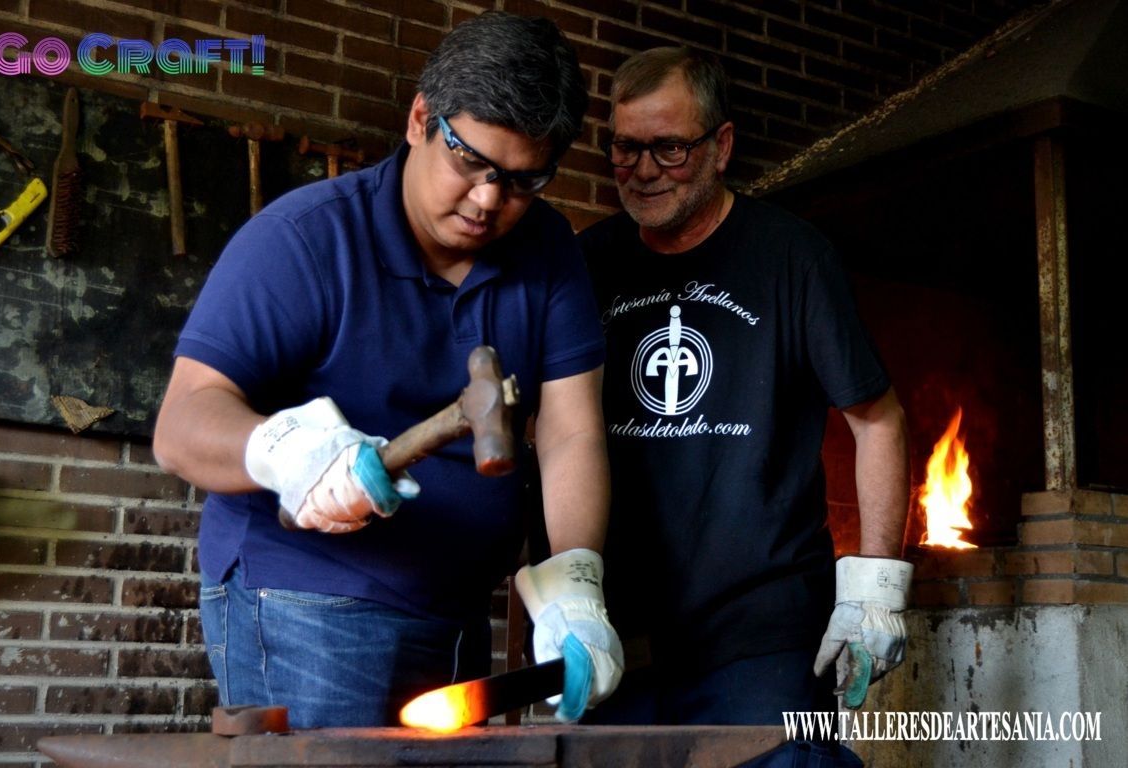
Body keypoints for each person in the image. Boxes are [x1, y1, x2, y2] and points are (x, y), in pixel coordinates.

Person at [152, 11, 622, 729]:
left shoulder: (548, 248)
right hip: (309, 601)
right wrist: (283, 452)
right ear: (419, 120)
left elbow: (568, 433)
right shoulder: (305, 239)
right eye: (470, 161)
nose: (489, 199)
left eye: (523, 180)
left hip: (461, 609)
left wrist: (574, 588)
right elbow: (182, 424)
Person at [578, 46, 911, 751]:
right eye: (624, 148)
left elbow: (876, 418)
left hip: (766, 638)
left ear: (720, 145)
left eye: (667, 149)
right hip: (618, 635)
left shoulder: (792, 257)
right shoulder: (587, 265)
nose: (641, 171)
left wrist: (876, 589)